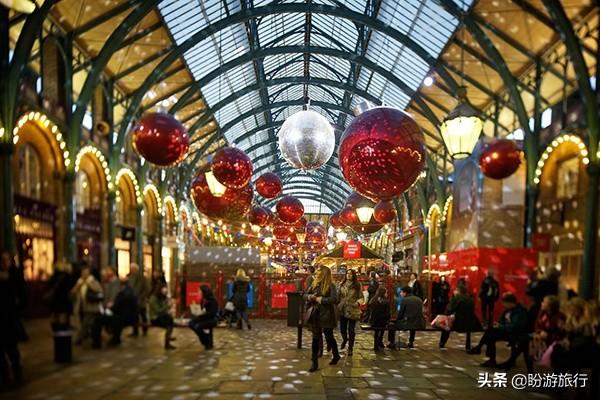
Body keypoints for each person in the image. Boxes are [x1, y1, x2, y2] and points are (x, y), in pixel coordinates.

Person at [467, 292, 528, 368]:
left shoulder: (520, 311)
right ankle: (488, 357)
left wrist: (501, 326)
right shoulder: (507, 310)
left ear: (510, 303)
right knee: (490, 332)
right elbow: (501, 320)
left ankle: (480, 349)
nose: (503, 305)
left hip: (513, 333)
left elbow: (515, 326)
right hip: (505, 330)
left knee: (490, 334)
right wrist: (498, 324)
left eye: (504, 303)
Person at [304, 265, 340, 372]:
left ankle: (336, 355)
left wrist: (321, 299)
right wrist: (310, 297)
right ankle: (314, 363)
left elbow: (334, 299)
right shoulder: (314, 284)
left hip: (327, 315)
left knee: (329, 336)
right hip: (315, 315)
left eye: (319, 270)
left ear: (324, 273)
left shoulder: (331, 285)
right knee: (315, 338)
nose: (317, 272)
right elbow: (305, 295)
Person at [0, 251, 23, 386]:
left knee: (12, 349)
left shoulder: (14, 276)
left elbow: (22, 295)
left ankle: (17, 373)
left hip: (10, 319)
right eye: (2, 260)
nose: (4, 263)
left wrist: (17, 307)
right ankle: (5, 376)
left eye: (6, 260)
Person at [438, 285, 481, 350]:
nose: (454, 292)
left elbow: (449, 310)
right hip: (471, 323)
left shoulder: (457, 298)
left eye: (455, 290)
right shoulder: (470, 299)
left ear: (458, 291)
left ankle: (442, 343)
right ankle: (468, 345)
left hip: (459, 324)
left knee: (445, 325)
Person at [71, 265, 104, 349]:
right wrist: (78, 285)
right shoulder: (79, 281)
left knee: (86, 324)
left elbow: (99, 290)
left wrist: (89, 284)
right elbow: (73, 292)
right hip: (80, 306)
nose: (83, 274)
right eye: (82, 272)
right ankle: (81, 339)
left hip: (90, 307)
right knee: (80, 323)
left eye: (85, 272)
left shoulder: (92, 281)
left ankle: (80, 339)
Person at [107, 277, 139, 346]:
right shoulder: (130, 291)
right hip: (129, 315)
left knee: (112, 320)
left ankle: (115, 338)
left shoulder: (124, 293)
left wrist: (111, 306)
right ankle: (115, 338)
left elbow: (119, 304)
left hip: (124, 316)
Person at [45, 260, 75, 331]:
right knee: (62, 316)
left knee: (54, 315)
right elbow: (71, 287)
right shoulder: (67, 276)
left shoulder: (54, 275)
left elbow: (49, 286)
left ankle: (55, 331)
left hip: (54, 300)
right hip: (63, 300)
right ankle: (62, 333)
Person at [338, 268, 362, 356]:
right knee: (342, 329)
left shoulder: (357, 285)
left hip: (353, 310)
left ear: (353, 275)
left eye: (351, 274)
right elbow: (338, 296)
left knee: (351, 330)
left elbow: (361, 297)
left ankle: (350, 348)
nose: (349, 275)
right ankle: (345, 339)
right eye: (347, 273)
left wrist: (358, 302)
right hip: (343, 310)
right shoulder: (341, 284)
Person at [189, 285, 218, 350]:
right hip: (204, 317)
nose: (198, 292)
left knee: (198, 326)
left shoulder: (212, 300)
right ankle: (205, 338)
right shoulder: (203, 300)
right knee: (191, 323)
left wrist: (203, 313)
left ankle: (206, 340)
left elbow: (212, 313)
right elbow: (202, 311)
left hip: (211, 319)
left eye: (199, 291)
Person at [148, 284, 176, 350]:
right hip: (154, 318)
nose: (165, 290)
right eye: (164, 288)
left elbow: (163, 309)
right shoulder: (153, 298)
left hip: (161, 316)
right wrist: (168, 306)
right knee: (169, 324)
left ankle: (168, 337)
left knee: (170, 320)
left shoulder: (162, 297)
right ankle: (167, 343)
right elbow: (158, 310)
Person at [128, 263, 150, 337]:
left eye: (133, 269)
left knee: (143, 315)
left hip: (141, 300)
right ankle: (135, 331)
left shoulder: (142, 277)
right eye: (131, 269)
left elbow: (146, 289)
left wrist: (142, 296)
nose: (132, 270)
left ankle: (145, 329)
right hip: (133, 300)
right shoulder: (130, 277)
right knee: (134, 316)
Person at [369, 286, 390, 352]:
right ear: (383, 293)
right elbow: (387, 314)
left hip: (373, 321)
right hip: (382, 322)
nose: (387, 294)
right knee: (383, 326)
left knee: (377, 330)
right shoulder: (385, 301)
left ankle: (377, 343)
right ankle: (380, 341)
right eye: (386, 292)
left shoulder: (373, 299)